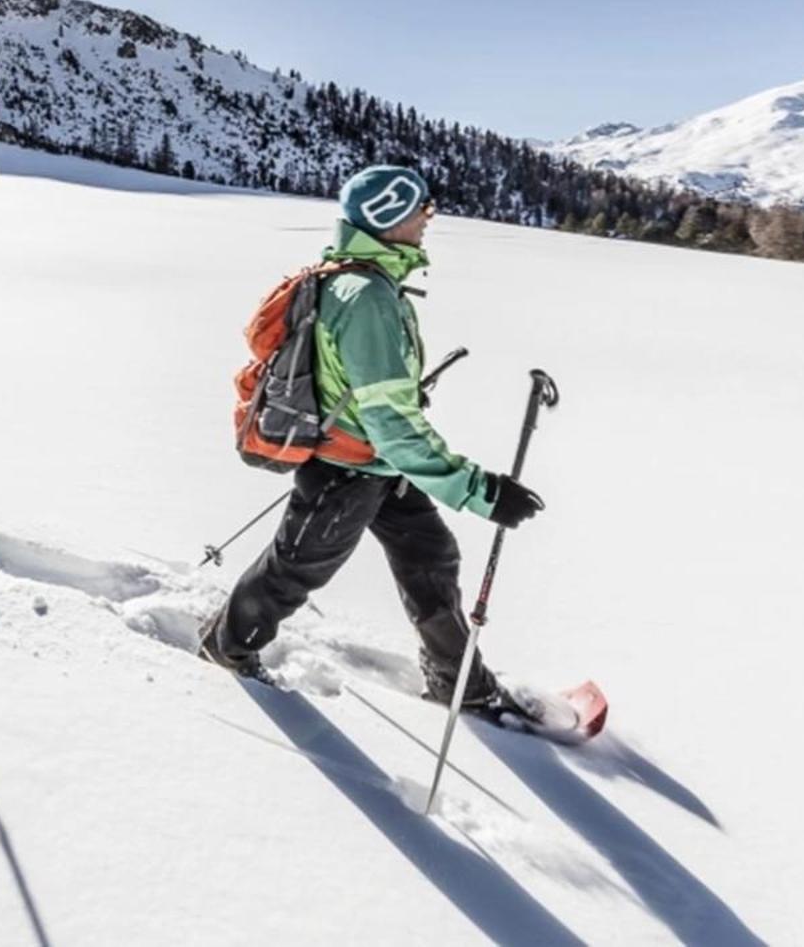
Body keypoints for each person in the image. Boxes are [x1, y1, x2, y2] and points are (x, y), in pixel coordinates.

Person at [199, 165, 547, 713]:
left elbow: (378, 404)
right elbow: (390, 423)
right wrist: (480, 491)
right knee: (295, 570)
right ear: (389, 217)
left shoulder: (364, 282)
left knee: (431, 559)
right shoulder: (366, 297)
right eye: (420, 211)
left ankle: (463, 687)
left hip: (381, 465)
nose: (429, 220)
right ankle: (225, 649)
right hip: (348, 467)